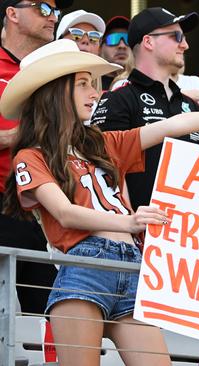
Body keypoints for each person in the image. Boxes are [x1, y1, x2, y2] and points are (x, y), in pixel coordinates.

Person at [0, 38, 199, 366]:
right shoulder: (30, 156)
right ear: (54, 92)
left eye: (93, 85)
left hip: (134, 266)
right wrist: (130, 221)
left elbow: (175, 124)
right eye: (83, 84)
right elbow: (65, 214)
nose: (95, 93)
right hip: (84, 268)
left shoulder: (104, 143)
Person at [90, 7, 199, 211]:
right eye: (176, 36)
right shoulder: (119, 98)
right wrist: (129, 228)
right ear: (148, 42)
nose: (185, 45)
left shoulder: (192, 105)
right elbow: (102, 171)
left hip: (189, 234)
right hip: (138, 235)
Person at [0, 0, 72, 314]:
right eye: (42, 7)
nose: (53, 16)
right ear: (12, 13)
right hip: (4, 203)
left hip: (44, 210)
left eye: (55, 10)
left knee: (49, 318)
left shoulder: (51, 70)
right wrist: (19, 136)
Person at [99, 15, 131, 90]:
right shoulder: (90, 82)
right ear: (99, 48)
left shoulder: (142, 84)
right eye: (113, 39)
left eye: (128, 39)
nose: (122, 46)